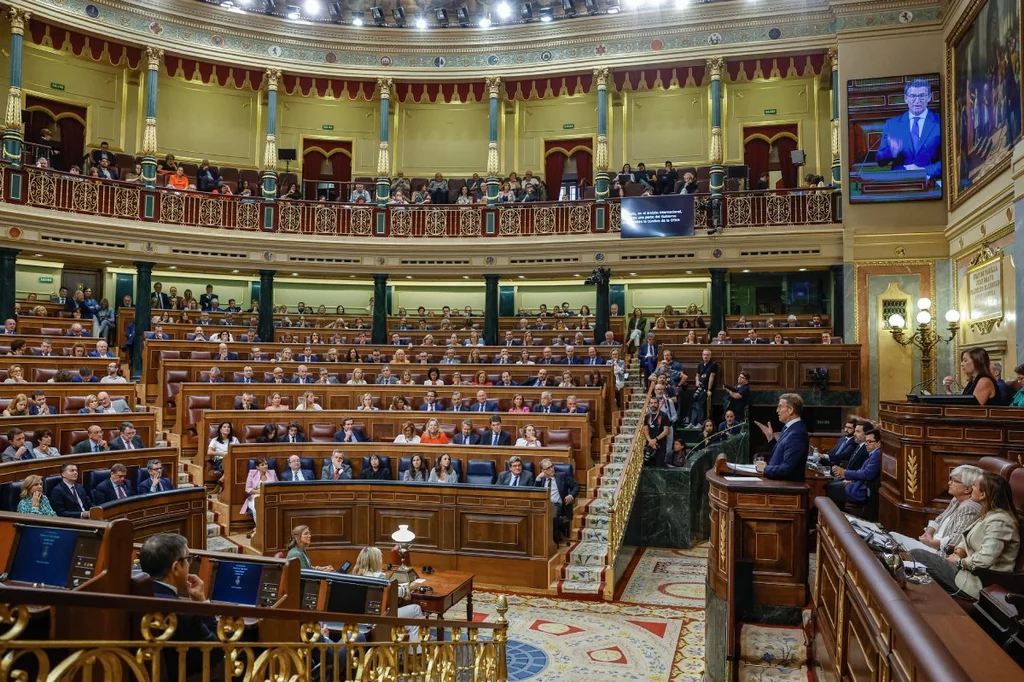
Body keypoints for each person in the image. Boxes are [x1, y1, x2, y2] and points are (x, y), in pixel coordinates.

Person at [910, 473, 1020, 600]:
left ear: (983, 494)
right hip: (966, 571)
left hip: (977, 581)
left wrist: (960, 562)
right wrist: (958, 551)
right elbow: (967, 538)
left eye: (974, 486)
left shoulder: (1001, 521)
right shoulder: (987, 514)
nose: (971, 488)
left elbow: (985, 559)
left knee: (917, 554)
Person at [138, 534, 220, 681]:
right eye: (188, 560)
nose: (189, 565)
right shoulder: (183, 613)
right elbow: (215, 650)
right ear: (176, 567)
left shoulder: (133, 594)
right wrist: (202, 605)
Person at [890, 465, 982, 554]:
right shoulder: (956, 500)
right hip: (931, 544)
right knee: (890, 538)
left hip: (939, 553)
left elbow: (956, 541)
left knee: (893, 538)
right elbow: (939, 518)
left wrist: (932, 543)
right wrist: (929, 533)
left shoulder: (969, 508)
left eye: (954, 481)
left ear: (967, 489)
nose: (949, 483)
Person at [873, 78, 941, 182]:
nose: (917, 101)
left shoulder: (940, 123)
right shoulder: (892, 124)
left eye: (922, 96)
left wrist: (924, 170)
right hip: (899, 185)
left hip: (931, 184)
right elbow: (880, 160)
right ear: (906, 98)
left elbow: (948, 160)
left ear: (929, 98)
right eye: (913, 96)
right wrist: (892, 151)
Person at [353, 546, 424, 641]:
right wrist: (409, 587)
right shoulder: (378, 577)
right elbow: (394, 593)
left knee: (413, 624)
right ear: (375, 561)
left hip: (360, 619)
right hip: (379, 619)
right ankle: (415, 653)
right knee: (416, 609)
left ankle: (413, 651)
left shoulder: (355, 575)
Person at [754, 393, 809, 481]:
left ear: (790, 410)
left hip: (788, 487)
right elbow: (782, 453)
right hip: (779, 483)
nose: (777, 410)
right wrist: (771, 439)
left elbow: (787, 468)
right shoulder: (789, 427)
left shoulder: (797, 433)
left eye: (780, 407)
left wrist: (765, 469)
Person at [825, 428, 882, 510]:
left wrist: (844, 473)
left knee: (829, 488)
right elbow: (862, 472)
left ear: (879, 443)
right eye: (866, 441)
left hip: (860, 490)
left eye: (869, 442)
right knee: (829, 485)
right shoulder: (873, 453)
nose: (866, 444)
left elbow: (867, 474)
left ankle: (837, 519)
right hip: (856, 483)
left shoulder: (877, 454)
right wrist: (851, 480)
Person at [534, 458, 578, 544]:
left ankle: (552, 543)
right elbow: (535, 492)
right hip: (543, 504)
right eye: (548, 468)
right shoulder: (541, 479)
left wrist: (571, 496)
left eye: (552, 466)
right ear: (543, 471)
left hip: (556, 505)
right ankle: (539, 540)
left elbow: (575, 486)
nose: (551, 469)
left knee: (552, 517)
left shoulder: (562, 476)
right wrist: (538, 477)